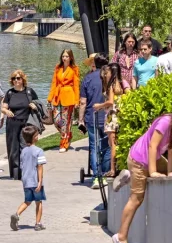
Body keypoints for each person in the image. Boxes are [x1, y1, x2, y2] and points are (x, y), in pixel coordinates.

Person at [112, 103, 172, 243]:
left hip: (149, 160)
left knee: (165, 176)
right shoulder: (165, 123)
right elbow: (152, 146)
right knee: (136, 199)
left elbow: (171, 150)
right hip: (138, 160)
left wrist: (169, 172)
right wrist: (153, 171)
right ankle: (121, 238)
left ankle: (130, 176)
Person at [78, 53, 110, 188]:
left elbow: (83, 102)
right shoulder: (109, 78)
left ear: (94, 64)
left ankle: (96, 177)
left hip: (92, 117)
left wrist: (80, 120)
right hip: (108, 117)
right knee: (107, 146)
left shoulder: (87, 79)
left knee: (94, 147)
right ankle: (105, 174)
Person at [0, 69, 38, 180]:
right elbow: (3, 107)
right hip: (12, 123)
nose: (16, 80)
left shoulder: (29, 92)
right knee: (13, 149)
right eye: (14, 78)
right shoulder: (10, 93)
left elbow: (38, 104)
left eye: (18, 78)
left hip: (26, 123)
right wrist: (6, 112)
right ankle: (15, 174)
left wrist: (34, 106)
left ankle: (26, 172)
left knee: (25, 148)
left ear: (22, 79)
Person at [10, 125, 47, 232]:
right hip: (35, 181)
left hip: (26, 181)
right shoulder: (39, 151)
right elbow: (39, 167)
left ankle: (16, 214)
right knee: (38, 202)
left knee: (27, 201)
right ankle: (38, 223)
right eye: (37, 134)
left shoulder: (24, 151)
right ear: (35, 137)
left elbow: (22, 166)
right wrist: (40, 181)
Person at [96, 62, 129, 178]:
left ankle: (112, 169)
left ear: (112, 72)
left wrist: (99, 106)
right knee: (118, 142)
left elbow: (110, 101)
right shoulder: (121, 83)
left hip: (111, 115)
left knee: (112, 143)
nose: (106, 74)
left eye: (108, 72)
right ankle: (119, 166)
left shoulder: (111, 85)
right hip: (120, 114)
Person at [47, 49, 80, 152]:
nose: (64, 58)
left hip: (69, 96)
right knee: (57, 121)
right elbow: (54, 83)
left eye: (66, 56)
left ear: (70, 58)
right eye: (63, 56)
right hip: (58, 96)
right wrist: (50, 97)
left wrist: (76, 100)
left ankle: (63, 144)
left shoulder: (74, 69)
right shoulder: (58, 68)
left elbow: (76, 85)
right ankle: (68, 134)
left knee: (66, 121)